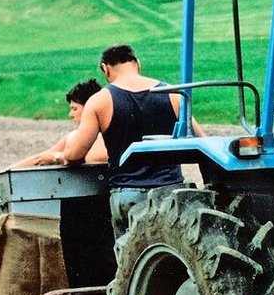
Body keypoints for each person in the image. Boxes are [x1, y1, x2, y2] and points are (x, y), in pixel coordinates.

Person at [63, 44, 203, 236]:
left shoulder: (100, 101)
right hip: (170, 192)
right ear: (138, 63)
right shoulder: (173, 94)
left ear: (106, 69)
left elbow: (74, 154)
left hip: (128, 194)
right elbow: (201, 141)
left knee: (132, 261)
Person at [11, 78, 109, 168]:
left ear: (90, 108)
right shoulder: (73, 137)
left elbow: (95, 158)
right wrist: (6, 172)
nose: (70, 115)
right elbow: (41, 158)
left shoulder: (109, 132)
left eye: (75, 109)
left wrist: (57, 158)